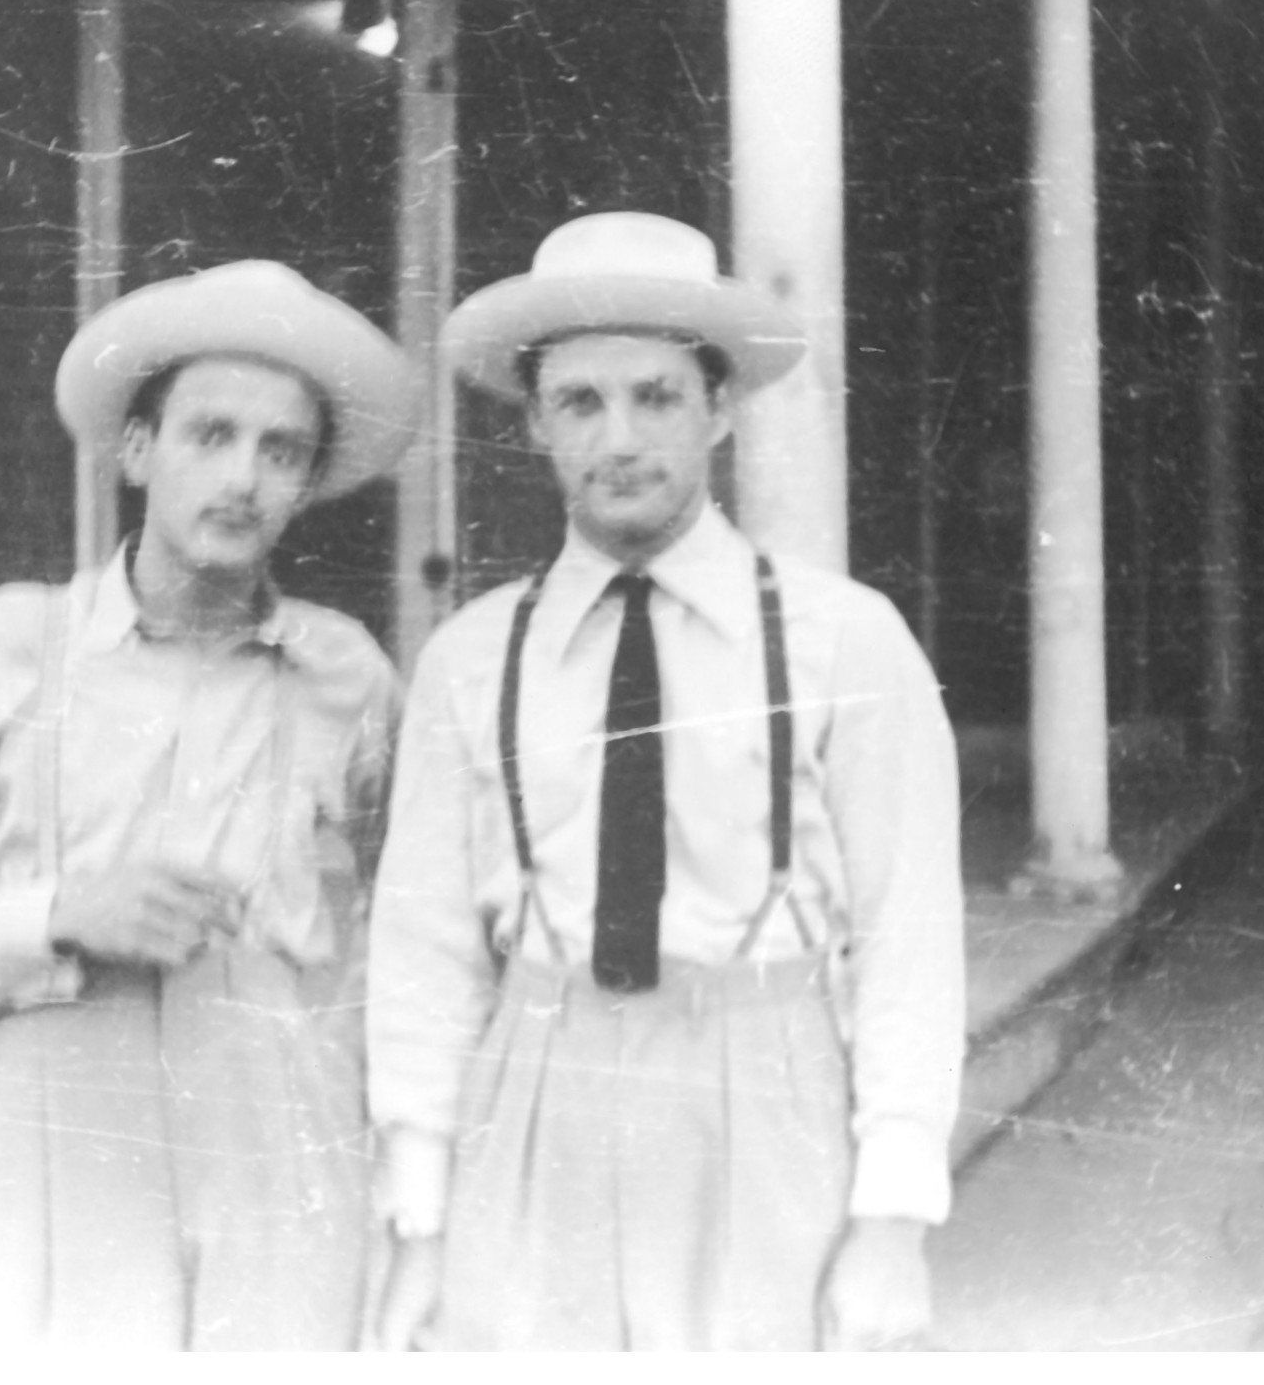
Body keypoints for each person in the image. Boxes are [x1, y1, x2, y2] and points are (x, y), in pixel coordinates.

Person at [365, 213, 965, 1351]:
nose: (622, 436)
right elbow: (424, 953)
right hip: (537, 1086)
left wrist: (893, 1218)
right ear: (537, 422)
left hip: (765, 1088)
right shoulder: (474, 656)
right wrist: (422, 1220)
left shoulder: (847, 639)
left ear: (721, 409)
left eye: (657, 396)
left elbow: (909, 940)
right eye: (582, 404)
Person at [0, 260, 420, 1346]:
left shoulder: (351, 677)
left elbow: (404, 935)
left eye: (280, 450)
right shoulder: (4, 647)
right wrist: (53, 910)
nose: (243, 476)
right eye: (211, 433)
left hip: (276, 1139)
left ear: (307, 481)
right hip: (54, 1141)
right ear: (139, 448)